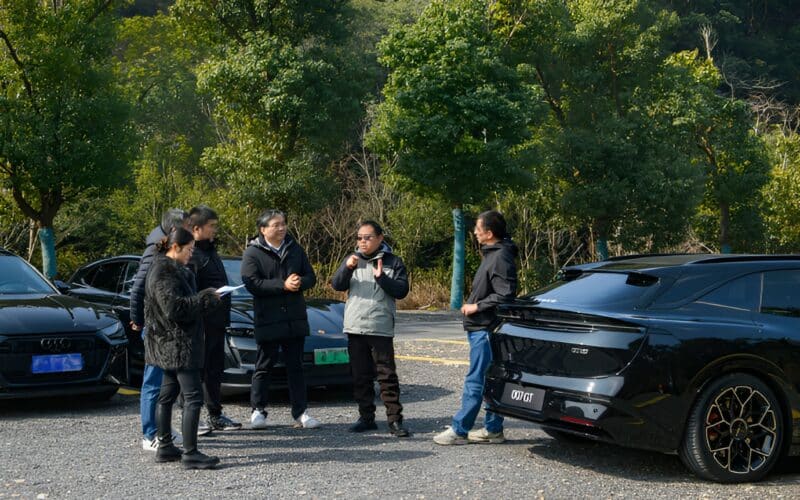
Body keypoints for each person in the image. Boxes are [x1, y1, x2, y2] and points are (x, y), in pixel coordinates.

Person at [434, 210, 517, 445]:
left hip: (486, 328)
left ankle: (460, 430)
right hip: (483, 326)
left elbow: (505, 294)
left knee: (476, 380)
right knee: (490, 378)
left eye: (478, 229)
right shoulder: (493, 253)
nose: (475, 233)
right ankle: (493, 429)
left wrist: (476, 306)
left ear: (489, 233)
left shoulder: (500, 256)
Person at [144, 227, 223, 469]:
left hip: (169, 343)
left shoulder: (167, 268)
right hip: (177, 343)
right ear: (175, 248)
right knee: (193, 397)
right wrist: (206, 297)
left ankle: (166, 446)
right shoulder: (164, 271)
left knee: (166, 395)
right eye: (189, 250)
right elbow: (174, 308)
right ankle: (190, 453)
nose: (191, 254)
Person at [241, 209, 321, 430]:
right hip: (268, 317)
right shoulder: (252, 253)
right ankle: (258, 410)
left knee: (296, 367)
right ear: (263, 229)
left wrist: (299, 282)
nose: (282, 228)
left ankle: (301, 412)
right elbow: (252, 283)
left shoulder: (295, 248)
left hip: (294, 318)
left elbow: (311, 276)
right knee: (264, 366)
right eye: (276, 225)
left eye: (283, 223)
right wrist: (281, 285)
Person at [331, 220, 410, 437]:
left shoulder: (393, 262)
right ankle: (366, 418)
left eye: (368, 237)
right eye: (359, 238)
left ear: (380, 238)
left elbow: (402, 291)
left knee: (387, 376)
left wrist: (381, 278)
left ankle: (395, 420)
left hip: (380, 326)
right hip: (355, 325)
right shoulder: (352, 259)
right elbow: (337, 284)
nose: (362, 242)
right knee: (360, 376)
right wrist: (347, 268)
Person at [129, 208, 188, 452]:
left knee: (166, 382)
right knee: (152, 382)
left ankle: (162, 428)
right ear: (173, 228)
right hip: (154, 326)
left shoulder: (171, 252)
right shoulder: (153, 252)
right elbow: (137, 289)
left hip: (167, 327)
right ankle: (149, 433)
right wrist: (137, 319)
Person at [187, 205, 241, 432]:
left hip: (218, 322)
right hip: (200, 323)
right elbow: (189, 292)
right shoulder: (191, 255)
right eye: (211, 226)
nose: (215, 230)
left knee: (215, 369)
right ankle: (193, 418)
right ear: (196, 228)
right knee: (197, 370)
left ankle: (215, 414)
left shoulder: (211, 251)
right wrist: (210, 296)